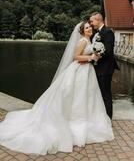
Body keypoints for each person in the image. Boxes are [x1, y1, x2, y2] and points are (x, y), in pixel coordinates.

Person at [0, 21, 114, 155]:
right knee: (76, 96)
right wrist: (91, 57)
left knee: (87, 96)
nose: (89, 29)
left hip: (88, 72)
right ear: (82, 31)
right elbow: (76, 57)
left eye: (90, 27)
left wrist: (96, 56)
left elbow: (90, 55)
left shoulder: (92, 41)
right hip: (80, 71)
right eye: (87, 27)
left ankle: (87, 119)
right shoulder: (82, 41)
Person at [89, 12, 119, 120]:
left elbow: (108, 51)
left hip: (105, 69)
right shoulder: (95, 33)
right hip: (96, 68)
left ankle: (108, 119)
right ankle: (100, 117)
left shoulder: (108, 32)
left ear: (98, 20)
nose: (91, 23)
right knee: (98, 93)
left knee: (105, 94)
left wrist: (95, 56)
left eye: (92, 21)